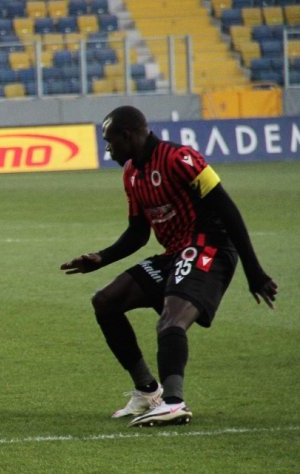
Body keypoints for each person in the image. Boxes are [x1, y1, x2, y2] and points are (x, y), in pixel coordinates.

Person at [60, 106, 277, 427]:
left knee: (170, 321)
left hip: (210, 248)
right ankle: (148, 391)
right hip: (174, 254)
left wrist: (253, 270)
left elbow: (229, 211)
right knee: (106, 301)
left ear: (128, 135)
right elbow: (138, 233)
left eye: (110, 142)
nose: (108, 149)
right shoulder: (132, 174)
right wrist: (101, 258)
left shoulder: (181, 159)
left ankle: (174, 403)